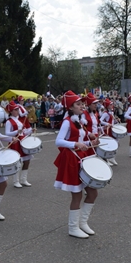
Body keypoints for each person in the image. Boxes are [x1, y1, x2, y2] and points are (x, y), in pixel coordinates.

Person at [54, 90, 100, 239]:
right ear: (71, 107)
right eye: (78, 104)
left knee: (93, 192)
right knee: (77, 195)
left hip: (81, 157)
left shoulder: (79, 121)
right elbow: (58, 141)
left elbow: (81, 142)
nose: (82, 106)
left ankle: (83, 222)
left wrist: (90, 143)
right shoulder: (67, 122)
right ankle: (73, 227)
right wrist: (76, 144)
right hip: (72, 158)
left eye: (82, 104)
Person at [5, 101, 34, 188]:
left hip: (22, 141)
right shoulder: (8, 122)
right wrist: (16, 131)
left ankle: (23, 179)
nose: (18, 111)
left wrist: (31, 131)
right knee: (17, 162)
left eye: (17, 109)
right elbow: (7, 133)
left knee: (27, 160)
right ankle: (16, 181)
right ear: (11, 111)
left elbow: (24, 132)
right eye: (15, 110)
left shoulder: (19, 121)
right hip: (15, 142)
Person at [100, 98, 119, 166]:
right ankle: (107, 159)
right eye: (110, 105)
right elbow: (100, 120)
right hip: (108, 130)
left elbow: (112, 121)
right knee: (109, 145)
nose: (112, 105)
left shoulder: (111, 112)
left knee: (116, 144)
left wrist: (116, 121)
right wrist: (107, 124)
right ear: (107, 106)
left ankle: (112, 158)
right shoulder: (105, 113)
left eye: (112, 104)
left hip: (112, 129)